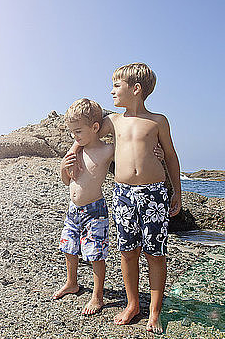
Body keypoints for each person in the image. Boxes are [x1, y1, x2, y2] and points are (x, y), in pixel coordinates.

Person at [52, 97, 166, 316]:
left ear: (95, 128)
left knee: (95, 253)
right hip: (73, 209)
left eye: (78, 132)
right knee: (69, 247)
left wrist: (156, 153)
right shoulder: (78, 152)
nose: (74, 138)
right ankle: (71, 282)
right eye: (72, 133)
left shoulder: (108, 150)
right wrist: (63, 167)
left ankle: (97, 295)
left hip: (95, 210)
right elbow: (68, 181)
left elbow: (133, 152)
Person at [98, 62, 182, 333]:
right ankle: (132, 303)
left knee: (155, 253)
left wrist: (177, 190)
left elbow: (170, 155)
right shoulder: (113, 121)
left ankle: (155, 312)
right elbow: (89, 136)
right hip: (122, 193)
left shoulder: (158, 121)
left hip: (154, 194)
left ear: (136, 89)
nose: (112, 91)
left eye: (116, 85)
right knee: (127, 250)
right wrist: (73, 153)